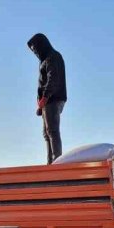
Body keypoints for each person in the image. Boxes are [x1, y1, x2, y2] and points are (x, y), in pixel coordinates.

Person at [27, 33, 67, 164]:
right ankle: (51, 162)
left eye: (35, 48)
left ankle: (56, 161)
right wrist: (40, 104)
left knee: (52, 131)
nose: (35, 52)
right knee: (47, 133)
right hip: (47, 101)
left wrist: (45, 97)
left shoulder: (52, 57)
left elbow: (52, 79)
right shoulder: (45, 60)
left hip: (53, 99)